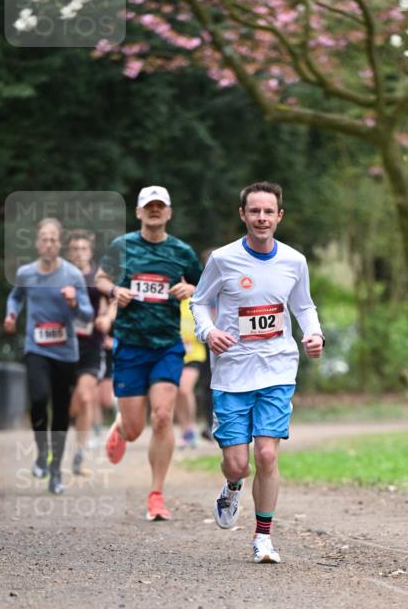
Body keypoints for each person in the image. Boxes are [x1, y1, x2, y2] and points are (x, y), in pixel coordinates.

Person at [190, 181, 324, 563]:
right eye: (255, 211)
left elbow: (304, 307)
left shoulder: (294, 261)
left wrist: (314, 334)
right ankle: (232, 485)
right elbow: (199, 303)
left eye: (269, 212)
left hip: (277, 368)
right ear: (243, 215)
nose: (262, 218)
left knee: (266, 455)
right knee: (238, 463)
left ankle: (263, 537)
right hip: (232, 373)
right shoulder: (222, 259)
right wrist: (209, 330)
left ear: (279, 216)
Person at [94, 186, 202, 521]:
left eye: (160, 206)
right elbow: (100, 278)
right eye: (148, 206)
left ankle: (156, 495)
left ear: (168, 212)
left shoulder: (182, 252)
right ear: (139, 212)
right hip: (130, 345)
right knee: (135, 428)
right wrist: (115, 291)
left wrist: (192, 288)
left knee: (162, 417)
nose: (155, 211)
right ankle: (121, 429)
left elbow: (206, 288)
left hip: (166, 346)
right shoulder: (121, 246)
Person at [4, 218, 93, 494]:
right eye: (44, 238)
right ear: (37, 243)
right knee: (40, 398)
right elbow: (15, 297)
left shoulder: (73, 276)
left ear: (60, 244)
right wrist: (11, 314)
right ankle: (42, 454)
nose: (49, 243)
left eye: (54, 239)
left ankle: (55, 473)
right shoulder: (26, 273)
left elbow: (87, 315)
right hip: (37, 348)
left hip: (65, 353)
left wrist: (74, 302)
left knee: (61, 413)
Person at [65, 229, 113, 473]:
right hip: (60, 347)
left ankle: (79, 455)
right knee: (68, 405)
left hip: (91, 346)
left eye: (83, 249)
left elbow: (111, 299)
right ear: (68, 252)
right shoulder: (59, 274)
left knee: (85, 398)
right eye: (75, 249)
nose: (79, 253)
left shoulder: (98, 276)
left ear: (91, 252)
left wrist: (106, 318)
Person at [175, 297, 207, 450]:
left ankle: (192, 428)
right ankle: (184, 430)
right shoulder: (171, 300)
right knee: (176, 392)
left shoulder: (195, 300)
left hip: (194, 354)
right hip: (174, 354)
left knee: (184, 388)